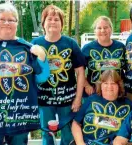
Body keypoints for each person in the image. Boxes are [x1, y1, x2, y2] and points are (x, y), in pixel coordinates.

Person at [0, 2, 49, 145]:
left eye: (11, 20)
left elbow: (42, 77)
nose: (6, 23)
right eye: (1, 19)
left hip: (19, 114)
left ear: (16, 23)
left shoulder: (28, 48)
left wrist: (42, 58)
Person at [31, 5, 85, 145]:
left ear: (62, 24)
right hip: (44, 100)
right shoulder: (35, 44)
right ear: (43, 24)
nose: (53, 22)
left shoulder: (71, 43)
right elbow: (29, 72)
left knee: (68, 135)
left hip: (67, 100)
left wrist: (78, 98)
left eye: (57, 19)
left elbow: (80, 72)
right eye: (49, 19)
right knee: (46, 134)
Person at [71, 70, 132, 145]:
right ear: (100, 85)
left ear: (119, 86)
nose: (109, 86)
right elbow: (76, 123)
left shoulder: (128, 105)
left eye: (113, 83)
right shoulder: (91, 100)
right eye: (105, 83)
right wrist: (80, 142)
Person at [82, 16, 126, 98]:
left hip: (117, 93)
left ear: (111, 29)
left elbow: (128, 69)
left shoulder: (120, 47)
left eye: (106, 27)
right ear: (95, 31)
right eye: (99, 28)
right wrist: (87, 85)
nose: (103, 30)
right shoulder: (87, 49)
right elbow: (80, 71)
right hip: (94, 93)